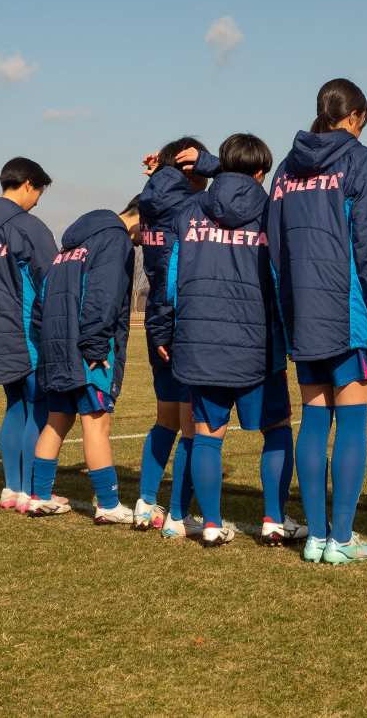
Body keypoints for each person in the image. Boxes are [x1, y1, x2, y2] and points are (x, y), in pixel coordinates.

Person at [267, 78, 367, 564]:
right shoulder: (363, 163)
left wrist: (289, 313)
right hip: (347, 316)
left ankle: (316, 537)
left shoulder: (284, 170)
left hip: (304, 314)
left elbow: (275, 251)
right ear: (355, 117)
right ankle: (340, 539)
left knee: (313, 420)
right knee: (350, 424)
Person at [167, 133, 309, 546]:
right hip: (259, 346)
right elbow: (285, 278)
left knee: (208, 437)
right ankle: (273, 519)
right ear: (262, 172)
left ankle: (211, 524)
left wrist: (163, 327)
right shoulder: (272, 211)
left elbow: (171, 280)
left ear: (221, 165)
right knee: (278, 431)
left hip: (200, 341)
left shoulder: (190, 210)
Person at [28, 197, 142, 524]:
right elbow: (102, 297)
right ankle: (107, 504)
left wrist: (48, 339)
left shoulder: (71, 246)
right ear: (139, 217)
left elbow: (42, 301)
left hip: (55, 348)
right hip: (86, 351)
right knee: (97, 423)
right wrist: (94, 347)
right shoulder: (116, 239)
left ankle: (40, 496)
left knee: (56, 420)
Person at [134, 138, 221, 534]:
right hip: (180, 320)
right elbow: (241, 188)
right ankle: (177, 516)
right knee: (190, 427)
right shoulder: (189, 206)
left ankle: (145, 502)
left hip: (156, 318)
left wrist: (161, 174)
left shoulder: (149, 200)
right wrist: (214, 164)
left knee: (165, 419)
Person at [0, 157, 59, 513]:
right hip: (26, 332)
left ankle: (12, 488)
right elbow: (51, 279)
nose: (38, 201)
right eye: (39, 193)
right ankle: (32, 492)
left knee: (15, 404)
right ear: (28, 184)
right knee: (39, 406)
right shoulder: (27, 226)